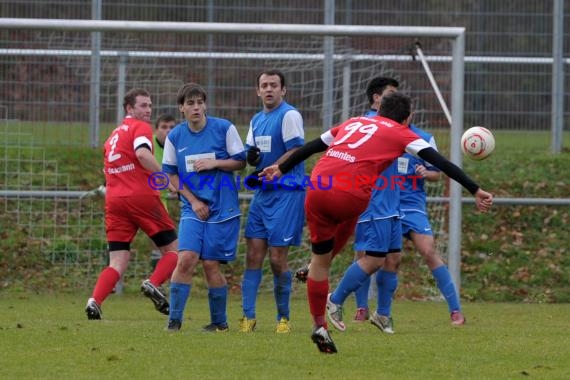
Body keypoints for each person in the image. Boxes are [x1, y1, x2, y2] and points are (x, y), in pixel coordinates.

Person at [260, 92, 493, 354]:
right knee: (363, 243)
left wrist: (280, 168)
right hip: (351, 195)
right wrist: (475, 189)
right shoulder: (401, 132)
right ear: (407, 118)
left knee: (321, 262)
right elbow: (441, 163)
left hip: (317, 188)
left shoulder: (353, 122)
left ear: (379, 109)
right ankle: (338, 295)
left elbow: (313, 145)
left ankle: (319, 326)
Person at [85, 88, 179, 320]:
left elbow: (107, 169)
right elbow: (143, 155)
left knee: (118, 260)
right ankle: (153, 283)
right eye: (143, 106)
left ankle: (95, 301)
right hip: (141, 197)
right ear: (130, 109)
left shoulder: (112, 136)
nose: (148, 110)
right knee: (175, 249)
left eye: (150, 105)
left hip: (115, 201)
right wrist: (165, 179)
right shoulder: (139, 128)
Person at [163, 83, 246, 332]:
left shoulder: (224, 128)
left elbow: (240, 162)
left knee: (210, 264)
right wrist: (194, 200)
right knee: (186, 258)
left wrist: (215, 163)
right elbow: (170, 175)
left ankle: (219, 323)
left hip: (223, 207)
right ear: (181, 108)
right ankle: (174, 321)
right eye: (190, 103)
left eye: (200, 102)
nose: (196, 107)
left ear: (205, 105)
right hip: (192, 207)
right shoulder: (175, 137)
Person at [239, 70, 306, 334]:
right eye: (264, 85)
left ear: (283, 90)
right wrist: (253, 158)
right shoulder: (256, 120)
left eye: (274, 85)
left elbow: (296, 150)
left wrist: (274, 168)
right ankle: (248, 317)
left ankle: (284, 318)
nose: (269, 89)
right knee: (253, 255)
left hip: (287, 193)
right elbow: (250, 154)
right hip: (263, 194)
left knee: (277, 259)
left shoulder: (289, 115)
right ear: (258, 91)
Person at [150, 114, 177, 270]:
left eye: (172, 127)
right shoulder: (148, 145)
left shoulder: (177, 146)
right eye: (164, 127)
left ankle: (156, 281)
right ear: (156, 129)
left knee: (163, 244)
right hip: (142, 197)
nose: (168, 131)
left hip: (160, 200)